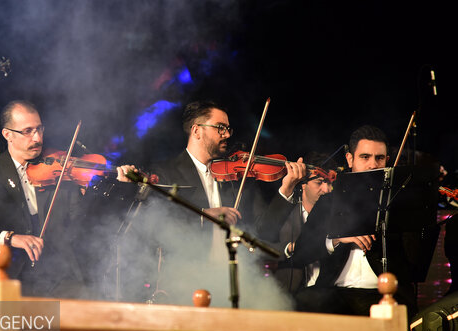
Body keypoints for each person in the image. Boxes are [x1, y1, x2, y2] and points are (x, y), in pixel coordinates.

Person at [117, 100, 307, 306]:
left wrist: (286, 188)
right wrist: (203, 215)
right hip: (183, 282)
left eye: (228, 129)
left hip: (231, 282)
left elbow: (266, 230)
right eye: (220, 128)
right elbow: (158, 225)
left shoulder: (236, 176)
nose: (227, 134)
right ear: (196, 131)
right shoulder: (165, 172)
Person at [0, 100, 89, 297]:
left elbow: (82, 223)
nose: (37, 137)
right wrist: (8, 238)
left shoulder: (59, 170)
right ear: (7, 134)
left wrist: (97, 188)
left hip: (60, 279)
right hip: (9, 276)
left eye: (39, 129)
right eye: (28, 131)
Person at [291, 125, 425, 316]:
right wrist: (337, 239)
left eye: (379, 158)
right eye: (365, 157)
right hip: (335, 293)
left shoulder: (399, 202)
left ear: (387, 161)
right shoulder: (329, 202)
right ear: (350, 159)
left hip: (383, 295)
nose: (372, 165)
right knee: (304, 302)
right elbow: (301, 254)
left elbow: (415, 262)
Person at [268, 152, 335, 293]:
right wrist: (290, 249)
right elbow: (265, 244)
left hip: (326, 294)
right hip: (288, 293)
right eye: (319, 182)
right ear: (303, 185)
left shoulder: (336, 216)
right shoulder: (284, 214)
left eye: (329, 183)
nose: (326, 189)